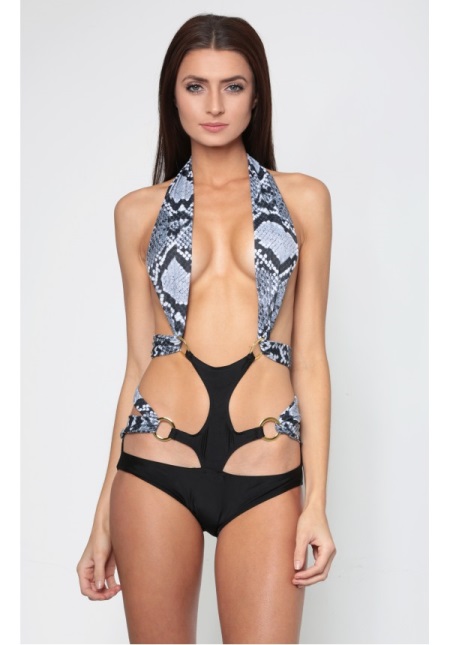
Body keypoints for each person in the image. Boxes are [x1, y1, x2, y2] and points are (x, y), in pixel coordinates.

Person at [76, 13, 336, 644]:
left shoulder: (303, 200)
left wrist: (317, 503)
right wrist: (102, 515)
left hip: (264, 457)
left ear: (257, 95)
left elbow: (310, 357)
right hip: (156, 455)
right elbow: (138, 363)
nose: (214, 105)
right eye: (196, 86)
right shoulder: (138, 212)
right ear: (173, 95)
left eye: (233, 86)